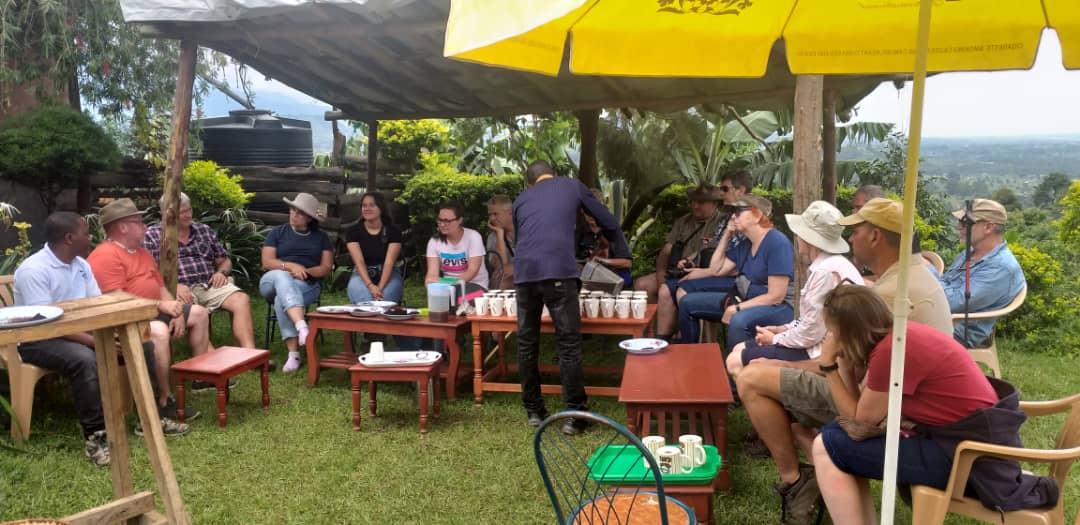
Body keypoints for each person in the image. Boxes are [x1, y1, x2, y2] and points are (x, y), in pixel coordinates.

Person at [811, 286, 1053, 525]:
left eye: (832, 332)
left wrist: (829, 368)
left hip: (971, 461)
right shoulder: (900, 336)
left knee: (827, 445)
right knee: (835, 436)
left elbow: (859, 421)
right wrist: (845, 365)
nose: (830, 339)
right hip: (975, 447)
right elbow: (861, 415)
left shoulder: (891, 350)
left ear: (848, 332)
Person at [14, 212, 188, 466]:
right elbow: (47, 326)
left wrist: (115, 334)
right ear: (69, 237)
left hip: (83, 332)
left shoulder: (80, 265)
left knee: (142, 343)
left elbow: (100, 306)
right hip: (39, 340)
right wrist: (96, 342)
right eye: (86, 233)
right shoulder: (33, 271)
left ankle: (149, 418)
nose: (91, 238)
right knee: (85, 360)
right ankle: (97, 438)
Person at [513, 160, 623, 435]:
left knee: (527, 341)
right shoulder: (571, 185)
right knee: (568, 344)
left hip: (525, 273)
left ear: (530, 182)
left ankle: (534, 411)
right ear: (555, 174)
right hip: (558, 272)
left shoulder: (521, 199)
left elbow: (524, 235)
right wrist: (611, 239)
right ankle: (575, 416)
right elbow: (608, 220)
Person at [88, 198, 212, 419]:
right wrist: (160, 305)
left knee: (199, 313)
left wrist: (174, 310)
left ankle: (200, 378)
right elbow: (116, 298)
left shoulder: (141, 252)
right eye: (138, 221)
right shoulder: (105, 255)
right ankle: (164, 399)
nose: (145, 226)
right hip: (123, 321)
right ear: (123, 227)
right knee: (159, 331)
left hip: (153, 312)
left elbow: (160, 286)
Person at [726, 201, 863, 379]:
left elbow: (810, 334)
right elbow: (811, 321)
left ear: (808, 238)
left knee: (735, 360)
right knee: (740, 348)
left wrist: (774, 339)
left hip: (823, 352)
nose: (797, 237)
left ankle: (769, 397)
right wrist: (780, 328)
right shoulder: (834, 264)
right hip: (823, 345)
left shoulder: (824, 273)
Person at [677, 195, 795, 347]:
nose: (733, 216)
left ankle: (734, 367)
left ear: (757, 215)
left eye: (739, 212)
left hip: (781, 307)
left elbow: (775, 296)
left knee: (738, 320)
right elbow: (716, 269)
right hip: (748, 299)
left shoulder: (777, 243)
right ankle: (691, 357)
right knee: (687, 303)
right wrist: (727, 234)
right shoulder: (746, 244)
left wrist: (736, 308)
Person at [144, 192, 255, 351]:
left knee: (241, 299)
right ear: (167, 214)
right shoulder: (153, 235)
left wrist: (221, 273)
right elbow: (149, 271)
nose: (188, 215)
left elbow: (224, 260)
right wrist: (173, 286)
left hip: (209, 284)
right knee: (192, 310)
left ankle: (250, 353)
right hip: (180, 290)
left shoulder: (204, 230)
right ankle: (214, 362)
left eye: (189, 210)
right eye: (182, 212)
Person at [659, 170, 753, 340]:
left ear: (741, 191)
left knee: (685, 293)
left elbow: (738, 265)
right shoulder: (730, 218)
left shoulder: (750, 218)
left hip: (741, 280)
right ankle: (664, 342)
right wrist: (691, 260)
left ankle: (694, 350)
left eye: (725, 189)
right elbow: (712, 247)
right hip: (719, 273)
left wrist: (702, 273)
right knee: (670, 288)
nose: (721, 193)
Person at [836, 197, 953, 335]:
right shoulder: (917, 273)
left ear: (874, 236)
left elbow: (855, 354)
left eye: (855, 232)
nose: (850, 239)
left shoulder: (891, 293)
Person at [260, 192, 334, 373]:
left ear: (309, 217)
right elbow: (267, 262)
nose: (294, 214)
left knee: (281, 299)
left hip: (306, 284)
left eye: (299, 212)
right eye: (292, 210)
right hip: (272, 281)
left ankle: (294, 355)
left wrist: (305, 272)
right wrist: (291, 267)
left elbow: (325, 267)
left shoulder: (321, 237)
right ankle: (302, 325)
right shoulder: (277, 232)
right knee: (282, 277)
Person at [939, 198, 1025, 347]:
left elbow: (951, 303)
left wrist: (926, 270)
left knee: (894, 332)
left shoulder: (1001, 268)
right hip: (940, 320)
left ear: (988, 228)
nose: (958, 227)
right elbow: (946, 284)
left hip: (956, 332)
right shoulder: (970, 253)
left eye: (965, 223)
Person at [632, 182, 723, 302]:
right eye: (693, 201)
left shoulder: (723, 222)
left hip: (704, 274)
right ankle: (655, 319)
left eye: (701, 202)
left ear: (714, 204)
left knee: (685, 292)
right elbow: (665, 253)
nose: (695, 206)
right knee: (642, 285)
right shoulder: (682, 222)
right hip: (676, 272)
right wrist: (661, 281)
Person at [345, 191, 404, 305]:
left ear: (381, 208)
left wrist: (379, 288)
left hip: (388, 273)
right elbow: (359, 262)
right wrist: (371, 286)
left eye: (372, 205)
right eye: (364, 205)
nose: (367, 208)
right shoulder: (353, 232)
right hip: (362, 274)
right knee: (365, 300)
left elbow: (389, 262)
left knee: (384, 301)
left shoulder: (393, 231)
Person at [425, 200, 489, 293]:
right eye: (440, 220)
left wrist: (445, 282)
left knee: (459, 301)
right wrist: (430, 283)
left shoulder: (473, 237)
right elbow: (432, 274)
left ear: (460, 220)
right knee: (441, 302)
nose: (442, 224)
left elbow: (472, 272)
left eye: (447, 221)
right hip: (448, 288)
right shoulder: (434, 242)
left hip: (476, 286)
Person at [575, 194, 632, 288]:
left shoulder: (613, 230)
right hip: (587, 277)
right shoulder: (579, 233)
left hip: (614, 276)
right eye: (588, 211)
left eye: (595, 210)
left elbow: (627, 263)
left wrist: (602, 260)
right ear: (582, 211)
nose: (592, 215)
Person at [486, 195, 516, 290]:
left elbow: (541, 259)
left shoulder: (528, 230)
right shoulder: (493, 237)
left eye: (495, 214)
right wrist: (499, 234)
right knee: (499, 279)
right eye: (489, 215)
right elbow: (499, 267)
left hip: (531, 274)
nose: (492, 219)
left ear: (510, 212)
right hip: (510, 279)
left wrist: (517, 268)